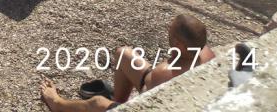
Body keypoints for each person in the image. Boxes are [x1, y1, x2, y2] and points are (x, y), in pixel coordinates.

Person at [39, 14, 215, 111]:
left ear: (178, 43)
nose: (167, 30)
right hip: (170, 92)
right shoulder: (207, 53)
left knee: (97, 103)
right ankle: (117, 100)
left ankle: (56, 103)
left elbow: (148, 99)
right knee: (123, 54)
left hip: (156, 103)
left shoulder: (164, 72)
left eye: (171, 30)